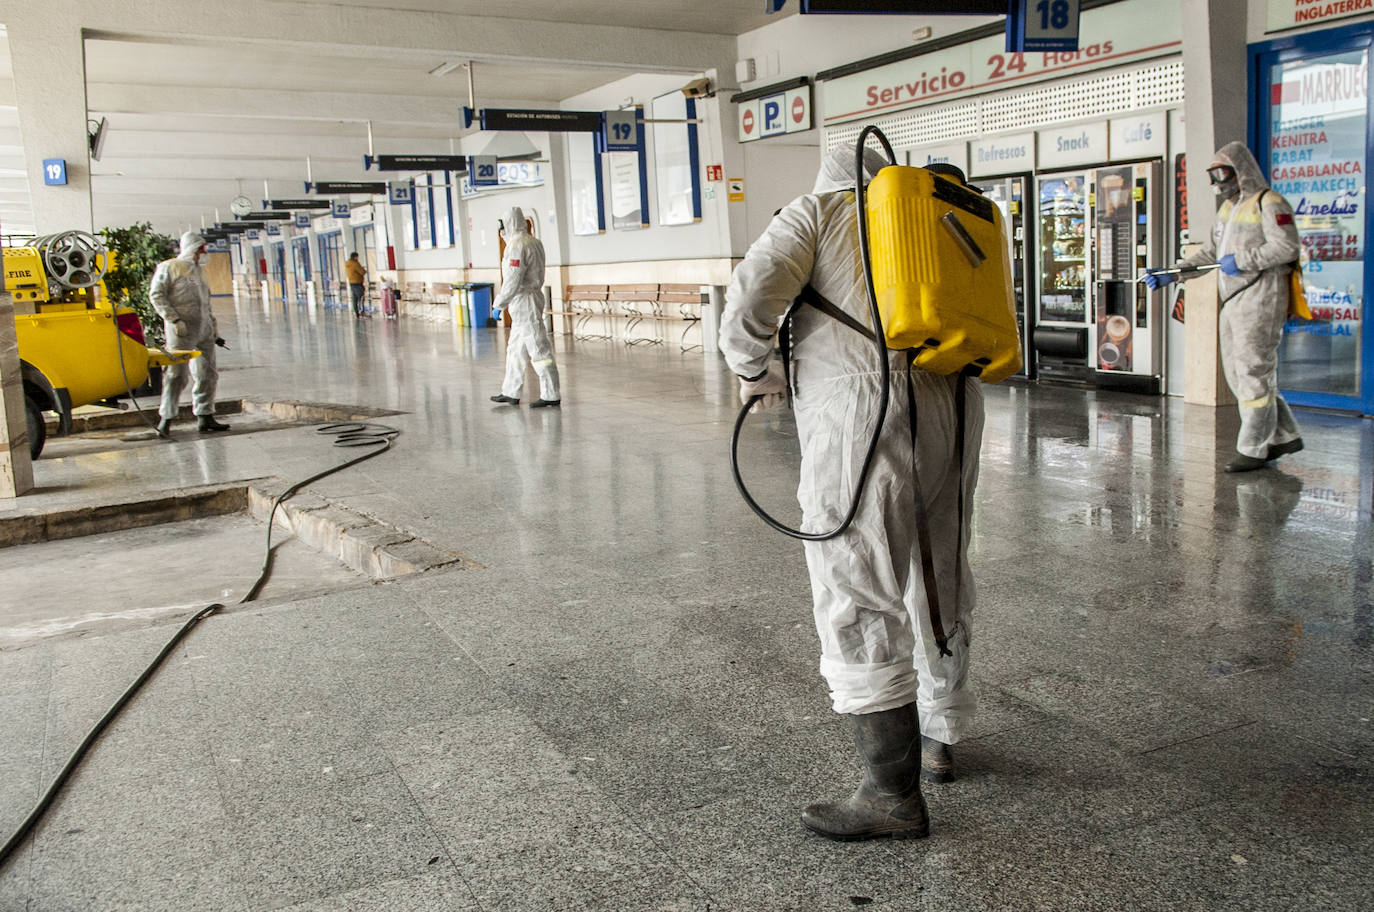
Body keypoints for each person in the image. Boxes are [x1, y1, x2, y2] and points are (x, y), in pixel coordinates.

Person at [719, 146, 986, 841]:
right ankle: (941, 734)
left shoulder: (818, 212)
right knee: (939, 571)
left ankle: (889, 792)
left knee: (855, 582)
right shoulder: (928, 219)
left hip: (863, 412)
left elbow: (748, 300)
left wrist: (756, 369)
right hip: (954, 405)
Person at [1146, 142, 1303, 473]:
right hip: (1234, 298)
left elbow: (1287, 246)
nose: (1218, 183)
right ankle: (1284, 434)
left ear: (1241, 170)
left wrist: (1244, 260)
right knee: (1240, 373)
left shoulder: (1269, 203)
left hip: (1261, 295)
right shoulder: (1227, 211)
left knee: (1252, 371)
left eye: (1223, 174)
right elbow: (1211, 255)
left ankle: (1253, 448)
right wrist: (1173, 274)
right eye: (1213, 176)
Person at [150, 231, 228, 437]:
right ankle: (165, 419)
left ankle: (205, 416)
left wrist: (214, 331)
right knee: (176, 375)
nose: (204, 252)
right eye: (201, 248)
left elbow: (206, 305)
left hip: (203, 330)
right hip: (181, 330)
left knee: (207, 373)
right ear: (192, 248)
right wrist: (173, 319)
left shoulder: (200, 272)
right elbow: (156, 295)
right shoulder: (169, 267)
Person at [489, 206, 560, 408]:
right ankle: (511, 391)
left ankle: (551, 393)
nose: (501, 231)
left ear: (510, 224)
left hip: (525, 302)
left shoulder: (517, 245)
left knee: (538, 348)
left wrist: (498, 304)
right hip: (524, 302)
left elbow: (512, 280)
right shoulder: (533, 242)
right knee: (515, 350)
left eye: (503, 227)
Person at [345, 252, 368, 317]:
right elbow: (362, 272)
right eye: (357, 257)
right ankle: (361, 311)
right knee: (361, 297)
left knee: (355, 298)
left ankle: (356, 312)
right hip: (357, 283)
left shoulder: (347, 263)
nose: (357, 258)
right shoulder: (355, 263)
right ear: (355, 257)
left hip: (352, 283)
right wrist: (363, 269)